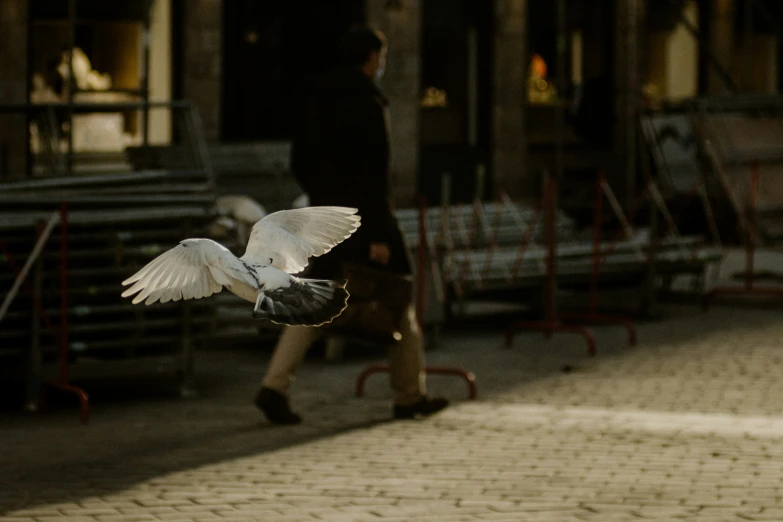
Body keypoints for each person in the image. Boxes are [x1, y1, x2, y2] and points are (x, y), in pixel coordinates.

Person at [254, 25, 449, 425]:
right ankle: (410, 394)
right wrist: (376, 233)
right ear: (370, 59)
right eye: (381, 57)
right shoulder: (367, 102)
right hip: (364, 219)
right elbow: (373, 175)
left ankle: (273, 386)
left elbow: (301, 162)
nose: (382, 64)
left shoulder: (315, 98)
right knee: (399, 298)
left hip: (324, 218)